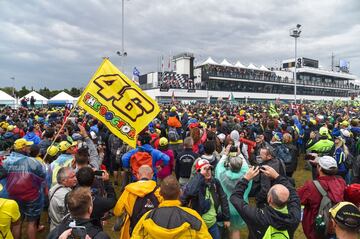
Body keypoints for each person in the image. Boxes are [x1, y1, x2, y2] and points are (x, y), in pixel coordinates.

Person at [230, 165, 301, 239]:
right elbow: (294, 194)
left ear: (269, 199)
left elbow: (235, 198)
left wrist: (246, 179)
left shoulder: (257, 216)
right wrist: (277, 176)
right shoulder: (294, 217)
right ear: (288, 200)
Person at [131, 175, 211, 238]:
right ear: (180, 193)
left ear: (160, 193)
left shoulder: (148, 216)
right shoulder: (193, 216)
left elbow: (136, 236)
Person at [2, 138, 46, 239]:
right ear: (23, 148)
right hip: (31, 196)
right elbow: (42, 175)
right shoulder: (33, 161)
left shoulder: (6, 161)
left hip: (12, 195)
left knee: (17, 223)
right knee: (32, 223)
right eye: (27, 146)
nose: (29, 148)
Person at [297, 156, 346, 239]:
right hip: (337, 225)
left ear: (319, 168)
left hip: (316, 228)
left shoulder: (311, 186)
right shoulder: (341, 182)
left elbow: (297, 198)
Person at [181, 159, 230, 239]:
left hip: (212, 223)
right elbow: (190, 193)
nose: (208, 171)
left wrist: (226, 218)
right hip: (198, 224)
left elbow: (223, 199)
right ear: (198, 172)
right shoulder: (194, 184)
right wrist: (201, 175)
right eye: (204, 169)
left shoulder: (215, 182)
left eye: (209, 168)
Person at [113, 165, 162, 239]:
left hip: (134, 229)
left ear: (138, 175)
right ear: (152, 175)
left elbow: (118, 211)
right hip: (153, 232)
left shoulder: (128, 191)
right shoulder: (159, 191)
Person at [215, 145, 251, 239]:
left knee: (223, 229)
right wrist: (240, 154)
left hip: (225, 207)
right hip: (239, 206)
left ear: (229, 165)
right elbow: (245, 167)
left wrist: (225, 154)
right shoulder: (246, 176)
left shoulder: (223, 175)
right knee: (235, 230)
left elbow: (218, 167)